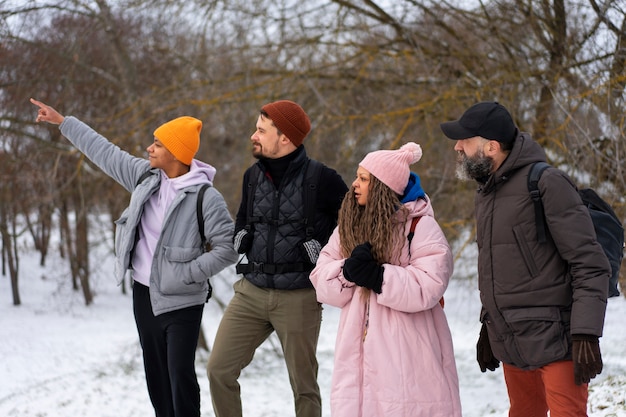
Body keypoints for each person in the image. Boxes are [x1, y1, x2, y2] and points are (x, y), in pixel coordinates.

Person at [30, 98, 238, 417]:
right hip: (143, 296)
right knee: (156, 379)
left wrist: (185, 274)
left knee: (180, 378)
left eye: (157, 144)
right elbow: (105, 152)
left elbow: (227, 248)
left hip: (182, 301)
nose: (149, 149)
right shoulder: (145, 178)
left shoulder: (206, 198)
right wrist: (64, 122)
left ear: (176, 153)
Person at [440, 101, 610, 416]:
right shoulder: (486, 194)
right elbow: (499, 266)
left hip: (557, 339)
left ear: (490, 146)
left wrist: (586, 331)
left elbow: (589, 263)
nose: (457, 147)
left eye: (465, 139)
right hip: (512, 338)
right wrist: (488, 326)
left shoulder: (545, 182)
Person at [206, 99, 348, 417]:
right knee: (218, 370)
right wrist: (240, 236)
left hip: (299, 296)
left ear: (284, 137)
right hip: (250, 292)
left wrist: (327, 252)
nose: (253, 135)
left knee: (304, 388)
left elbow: (355, 224)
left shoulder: (322, 179)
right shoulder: (252, 176)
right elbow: (243, 219)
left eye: (260, 130)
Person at [309, 142, 462, 417]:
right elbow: (321, 278)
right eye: (357, 176)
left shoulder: (419, 226)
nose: (354, 184)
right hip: (356, 346)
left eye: (363, 179)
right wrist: (347, 272)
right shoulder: (349, 227)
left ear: (382, 186)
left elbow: (430, 283)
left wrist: (380, 277)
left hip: (409, 349)